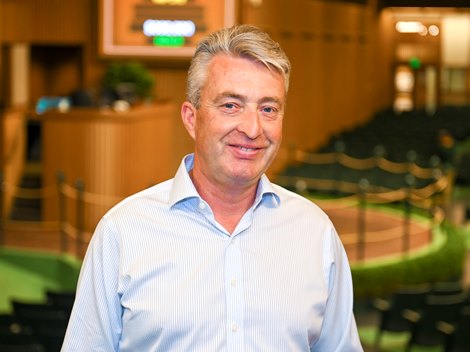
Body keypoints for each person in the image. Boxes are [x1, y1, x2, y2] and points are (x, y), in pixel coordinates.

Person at [61, 24, 363, 351]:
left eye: (268, 109)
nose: (251, 128)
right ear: (192, 118)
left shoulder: (315, 232)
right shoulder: (123, 232)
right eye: (231, 105)